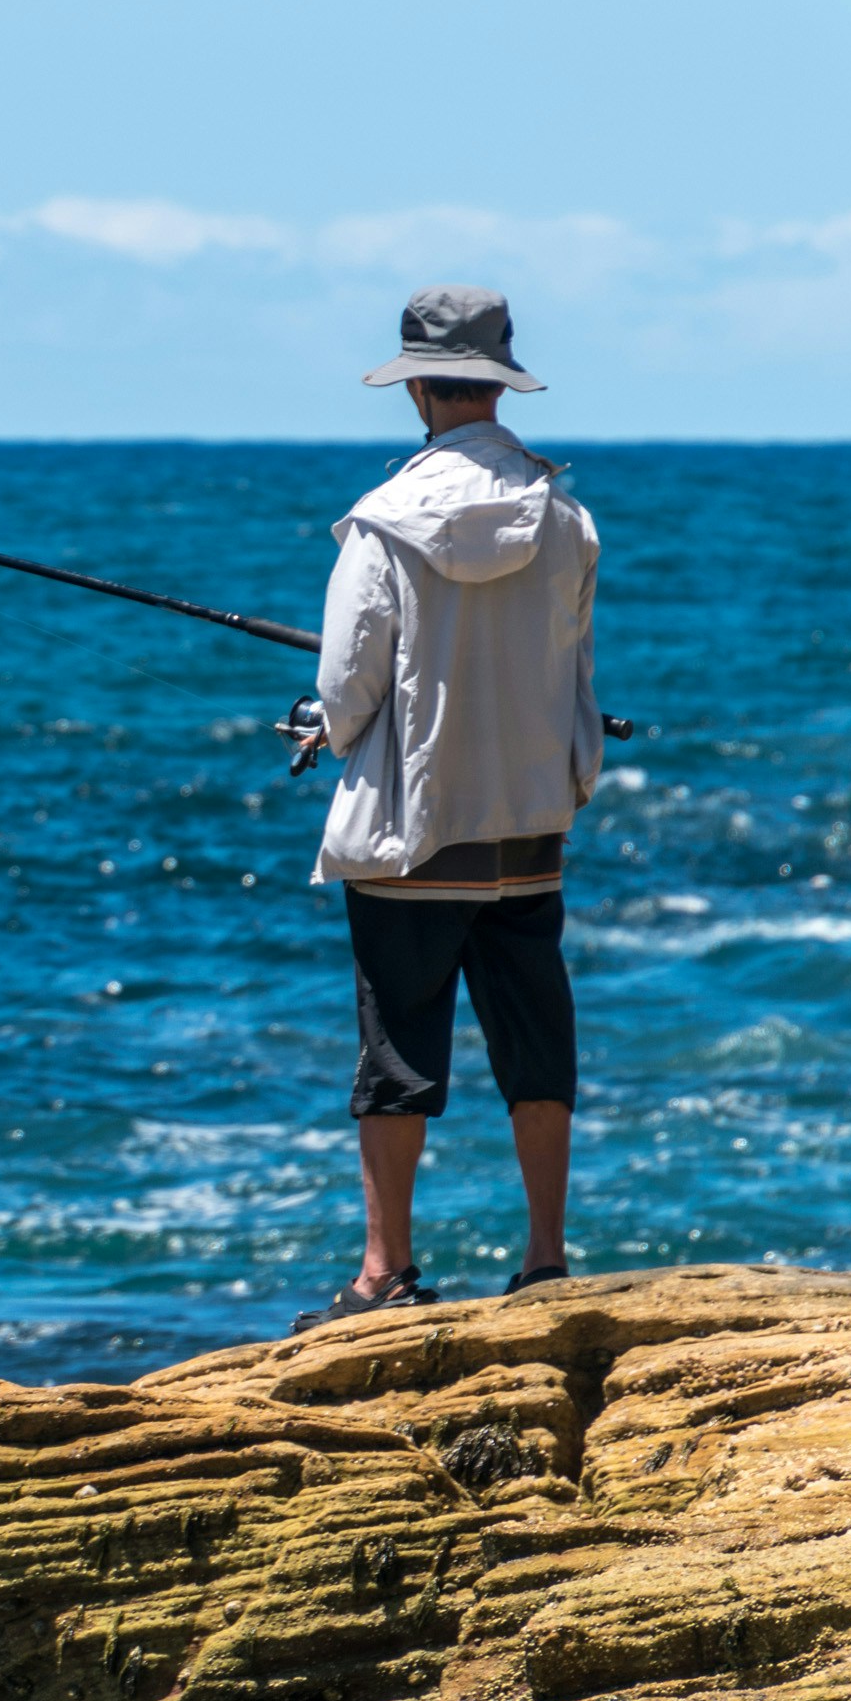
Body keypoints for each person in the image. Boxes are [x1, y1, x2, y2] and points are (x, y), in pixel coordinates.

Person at [281, 285, 601, 1331]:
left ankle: (386, 1273)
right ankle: (546, 1257)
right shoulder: (564, 519)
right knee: (534, 1038)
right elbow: (573, 673)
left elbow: (347, 687)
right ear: (499, 384)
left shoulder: (380, 527)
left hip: (414, 836)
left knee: (400, 1049)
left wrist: (322, 725)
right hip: (527, 824)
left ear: (417, 386)